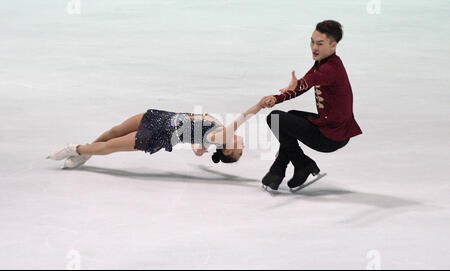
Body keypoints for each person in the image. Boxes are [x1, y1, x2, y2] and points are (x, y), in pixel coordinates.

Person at [260, 20, 363, 190]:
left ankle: (300, 164)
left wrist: (296, 84)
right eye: (312, 42)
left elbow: (308, 82)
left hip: (330, 137)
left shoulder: (331, 68)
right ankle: (280, 171)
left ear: (333, 45)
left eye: (320, 43)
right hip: (332, 128)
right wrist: (276, 98)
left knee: (276, 119)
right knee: (290, 116)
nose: (314, 47)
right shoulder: (323, 62)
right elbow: (303, 86)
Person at [47, 98, 270, 168]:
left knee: (110, 146)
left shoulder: (221, 137)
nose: (243, 148)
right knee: (114, 131)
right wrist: (197, 147)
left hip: (157, 134)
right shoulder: (217, 135)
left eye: (239, 153)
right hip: (160, 117)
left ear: (229, 148)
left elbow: (243, 117)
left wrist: (260, 105)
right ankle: (87, 153)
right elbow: (196, 142)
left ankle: (74, 149)